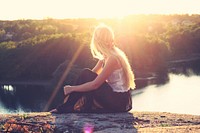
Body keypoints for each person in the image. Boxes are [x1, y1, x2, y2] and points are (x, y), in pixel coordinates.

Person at [50, 24, 135, 113]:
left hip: (120, 101)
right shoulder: (106, 57)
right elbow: (88, 77)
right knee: (86, 73)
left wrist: (72, 88)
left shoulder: (112, 59)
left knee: (86, 74)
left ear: (97, 41)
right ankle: (69, 106)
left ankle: (67, 107)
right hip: (120, 100)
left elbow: (95, 84)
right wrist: (76, 88)